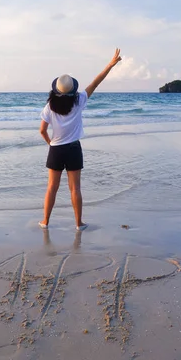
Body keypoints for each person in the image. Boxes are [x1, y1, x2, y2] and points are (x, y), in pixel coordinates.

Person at [39, 48, 122, 231]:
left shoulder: (49, 106)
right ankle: (78, 223)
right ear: (73, 89)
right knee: (75, 188)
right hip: (74, 149)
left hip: (56, 149)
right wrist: (110, 64)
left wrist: (50, 143)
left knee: (52, 188)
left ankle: (45, 221)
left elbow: (42, 130)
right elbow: (96, 82)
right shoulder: (79, 101)